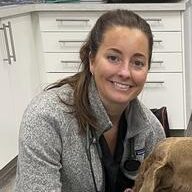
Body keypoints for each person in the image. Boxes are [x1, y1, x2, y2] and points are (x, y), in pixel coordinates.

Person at [15, 9, 165, 192]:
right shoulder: (46, 119)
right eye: (113, 58)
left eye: (138, 63)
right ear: (92, 60)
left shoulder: (151, 131)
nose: (125, 72)